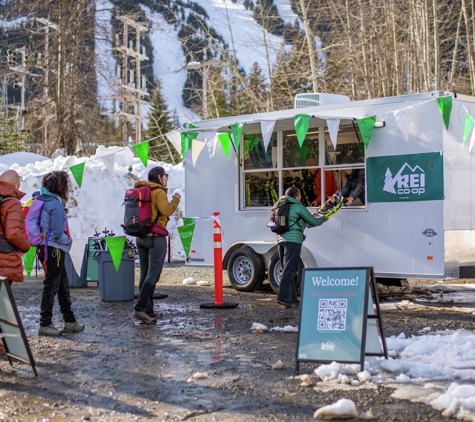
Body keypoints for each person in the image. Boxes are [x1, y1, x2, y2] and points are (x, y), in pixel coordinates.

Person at [37, 170, 84, 337]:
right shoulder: (55, 204)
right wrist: (68, 242)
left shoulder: (42, 200)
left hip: (46, 248)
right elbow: (58, 233)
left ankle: (69, 320)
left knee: (62, 285)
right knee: (51, 286)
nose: (68, 188)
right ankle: (45, 323)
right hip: (54, 249)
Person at [132, 166, 181, 324]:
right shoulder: (158, 191)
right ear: (160, 177)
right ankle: (140, 309)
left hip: (141, 237)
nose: (167, 178)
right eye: (166, 175)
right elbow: (166, 211)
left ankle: (147, 309)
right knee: (153, 274)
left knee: (145, 273)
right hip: (155, 237)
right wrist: (176, 199)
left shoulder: (142, 190)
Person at [277, 187, 327, 308]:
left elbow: (303, 220)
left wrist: (313, 215)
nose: (300, 197)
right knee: (290, 269)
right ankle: (282, 297)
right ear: (296, 196)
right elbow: (313, 222)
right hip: (293, 241)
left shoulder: (280, 204)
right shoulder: (297, 206)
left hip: (280, 240)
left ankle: (292, 298)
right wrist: (324, 218)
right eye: (299, 194)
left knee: (291, 269)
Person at [0, 170, 31, 285]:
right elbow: (12, 233)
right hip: (5, 258)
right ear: (16, 185)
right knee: (3, 299)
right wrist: (25, 247)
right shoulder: (12, 202)